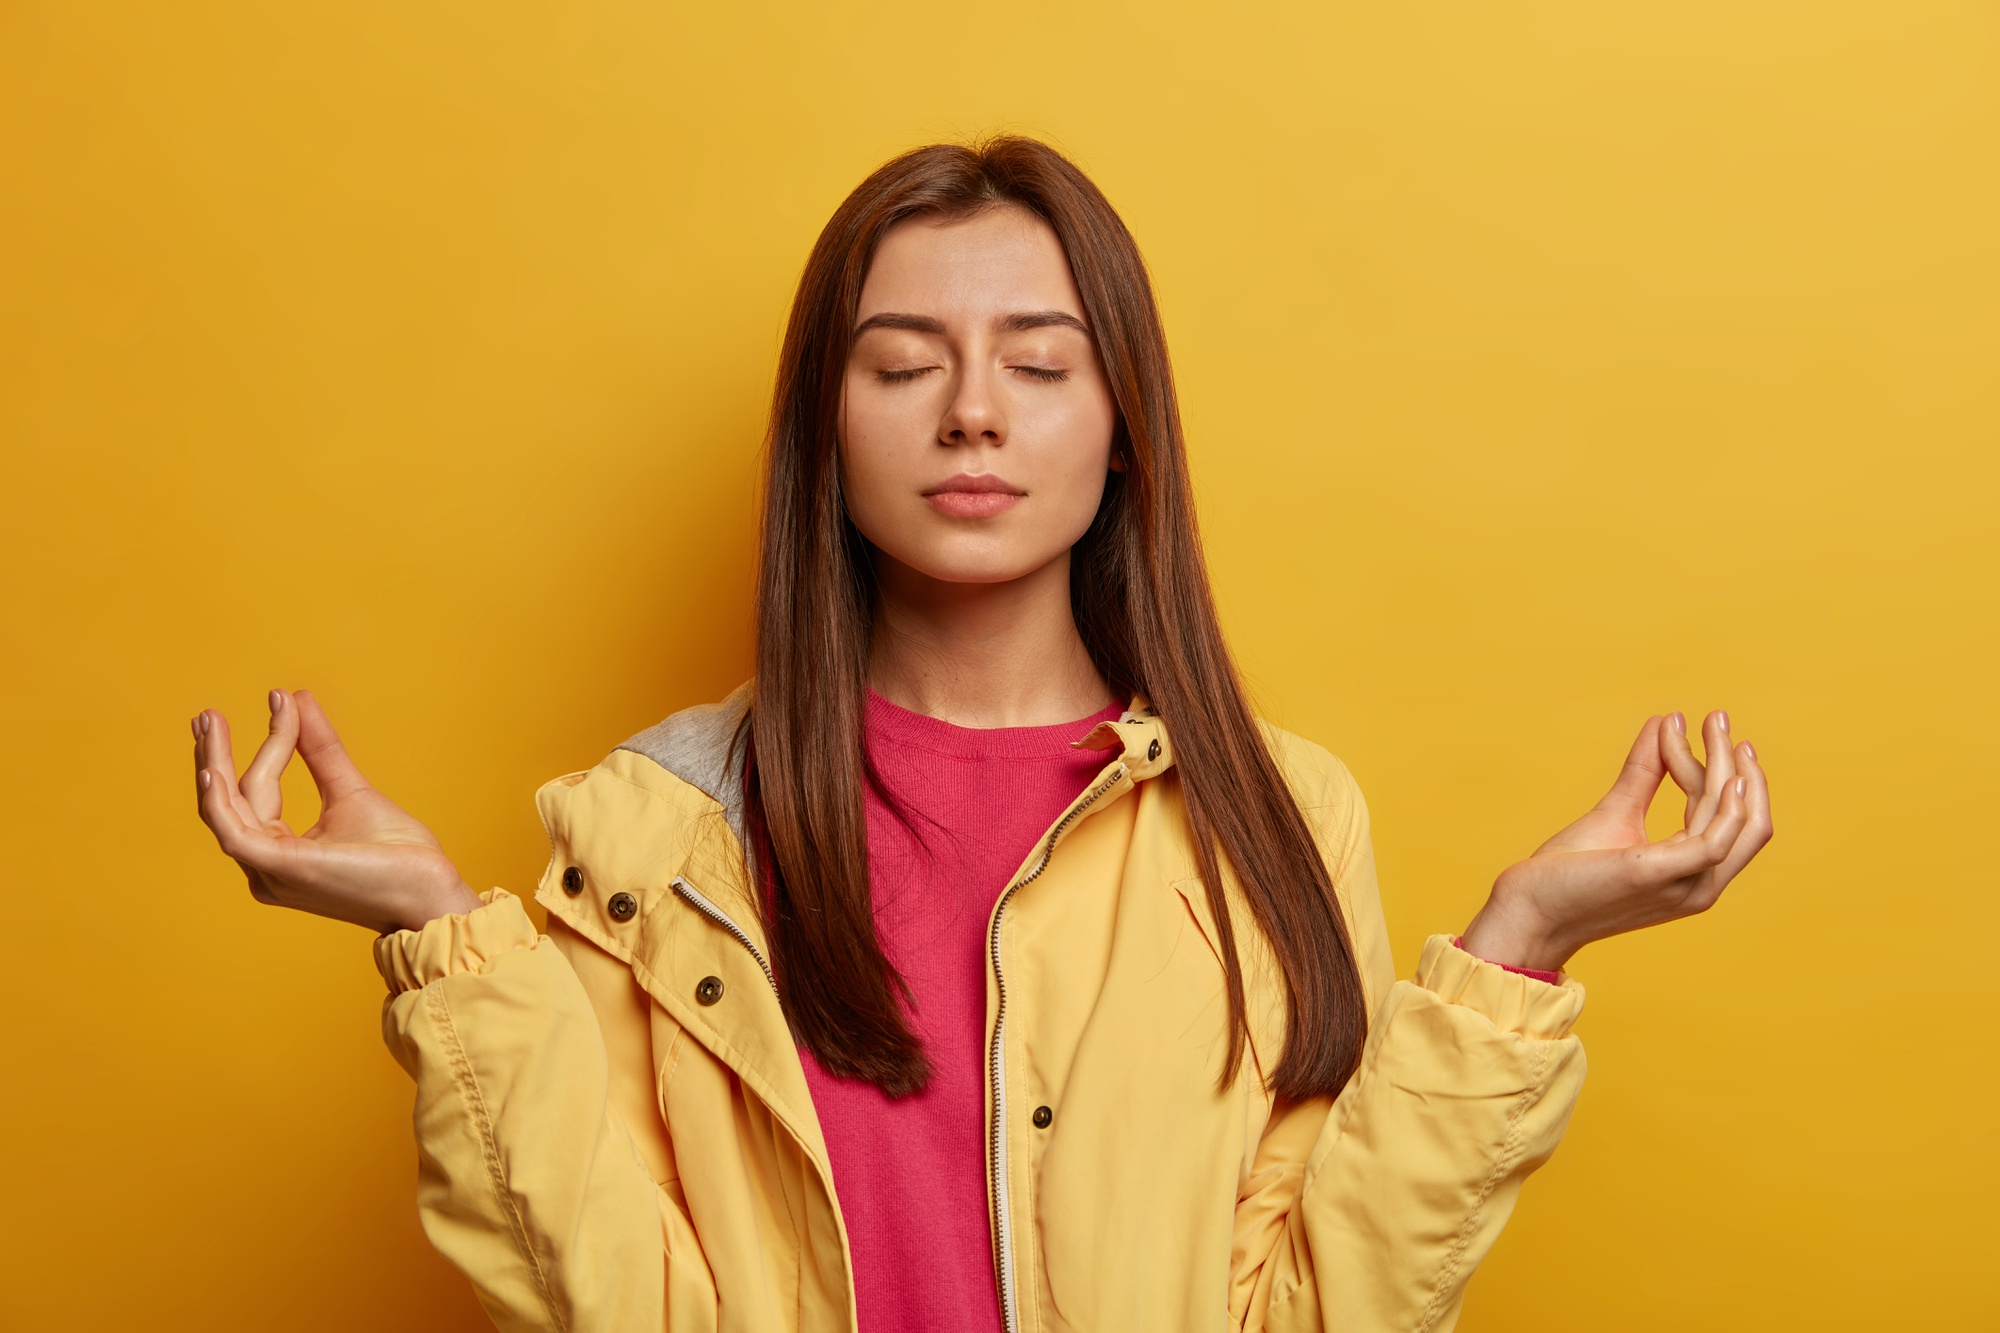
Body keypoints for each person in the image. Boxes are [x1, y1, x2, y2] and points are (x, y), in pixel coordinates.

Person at [190, 138, 1772, 1333]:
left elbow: (1310, 1305)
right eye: (901, 363)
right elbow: (626, 1298)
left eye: (1037, 360)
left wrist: (1516, 957)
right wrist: (435, 940)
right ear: (829, 420)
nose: (972, 412)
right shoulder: (650, 827)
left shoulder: (1280, 812)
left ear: (1121, 423)